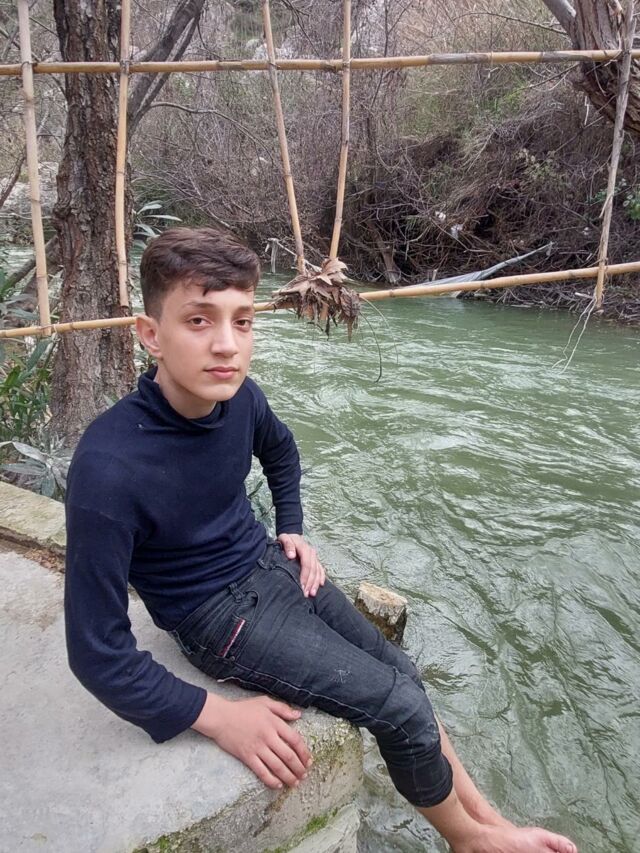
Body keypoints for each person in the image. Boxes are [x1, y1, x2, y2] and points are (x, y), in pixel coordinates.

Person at [65, 227, 577, 853]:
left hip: (269, 564)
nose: (227, 344)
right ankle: (468, 840)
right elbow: (98, 654)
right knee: (399, 706)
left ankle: (489, 824)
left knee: (404, 673)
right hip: (216, 619)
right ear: (151, 334)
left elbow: (281, 452)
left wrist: (291, 527)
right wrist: (217, 716)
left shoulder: (240, 399)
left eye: (242, 321)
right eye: (199, 320)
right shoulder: (109, 467)